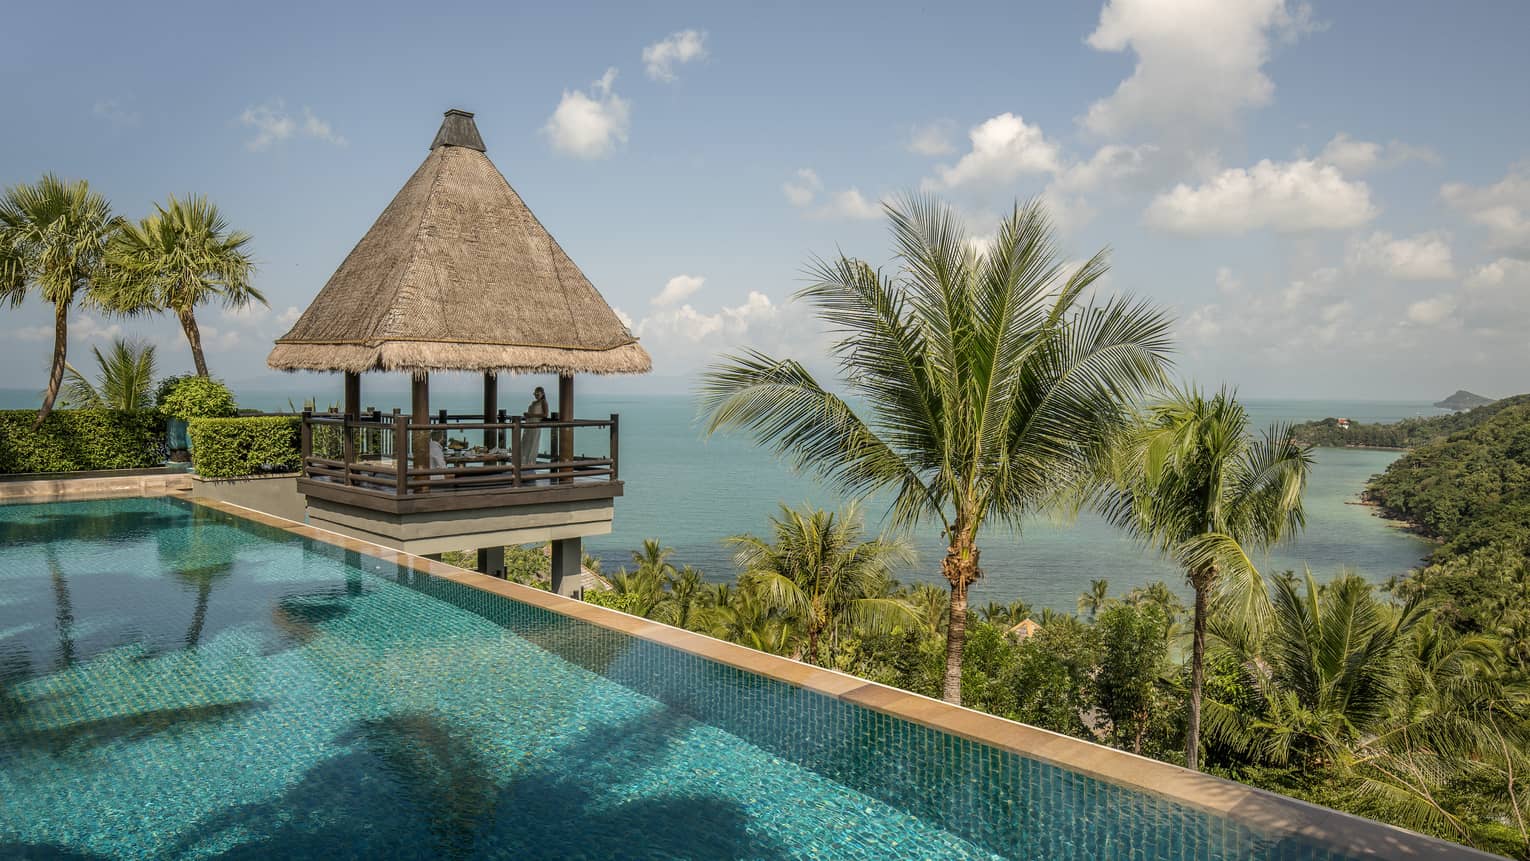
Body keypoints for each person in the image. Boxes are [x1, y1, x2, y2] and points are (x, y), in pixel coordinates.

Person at [519, 386, 548, 470]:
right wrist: (527, 415)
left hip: (535, 424)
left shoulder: (543, 402)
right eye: (534, 393)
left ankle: (530, 464)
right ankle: (523, 463)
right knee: (525, 443)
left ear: (542, 394)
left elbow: (545, 414)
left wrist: (531, 415)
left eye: (537, 393)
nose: (536, 395)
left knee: (532, 444)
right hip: (529, 423)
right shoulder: (534, 402)